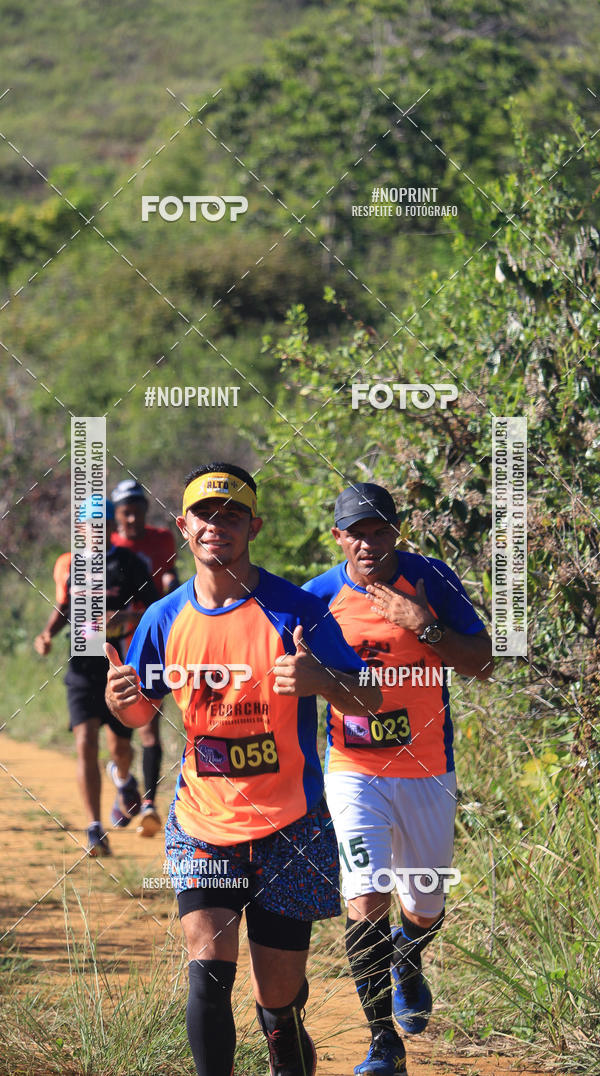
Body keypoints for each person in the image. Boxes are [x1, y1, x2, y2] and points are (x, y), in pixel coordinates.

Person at [104, 463, 381, 1076]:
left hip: (292, 825)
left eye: (231, 515)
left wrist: (321, 680)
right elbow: (136, 709)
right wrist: (119, 701)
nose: (216, 526)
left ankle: (283, 1031)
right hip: (203, 824)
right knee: (207, 977)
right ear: (183, 526)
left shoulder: (298, 611)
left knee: (277, 1000)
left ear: (253, 526)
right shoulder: (162, 619)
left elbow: (369, 699)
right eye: (205, 514)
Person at [303, 482, 494, 1076]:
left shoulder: (429, 579)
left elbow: (485, 663)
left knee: (426, 904)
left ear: (397, 532)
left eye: (380, 529)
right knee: (364, 896)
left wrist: (426, 625)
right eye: (356, 532)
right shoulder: (315, 598)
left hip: (428, 769)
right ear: (337, 537)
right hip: (354, 771)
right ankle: (383, 1042)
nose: (369, 542)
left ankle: (408, 958)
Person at [34, 498, 159, 855]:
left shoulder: (129, 563)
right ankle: (94, 828)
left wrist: (126, 619)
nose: (94, 532)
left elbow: (156, 606)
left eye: (100, 525)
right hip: (81, 670)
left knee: (121, 748)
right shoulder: (73, 565)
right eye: (88, 526)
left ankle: (123, 777)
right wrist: (47, 633)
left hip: (116, 668)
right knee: (84, 742)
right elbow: (64, 606)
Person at [110, 477, 180, 837]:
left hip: (155, 637)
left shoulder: (162, 539)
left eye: (138, 512)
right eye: (126, 513)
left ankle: (150, 803)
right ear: (116, 516)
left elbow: (171, 581)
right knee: (121, 732)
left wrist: (170, 585)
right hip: (115, 646)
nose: (132, 519)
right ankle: (123, 782)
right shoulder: (111, 545)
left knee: (150, 721)